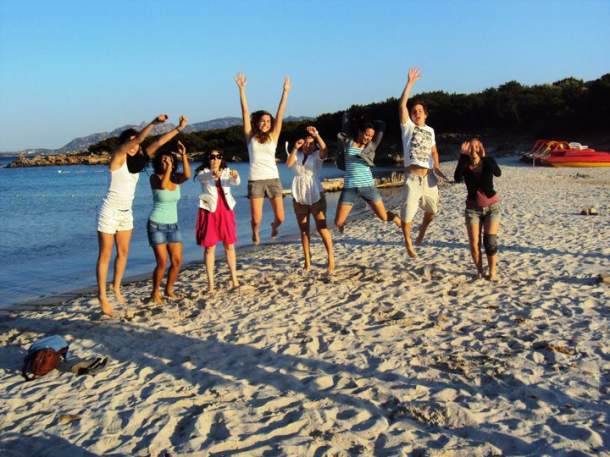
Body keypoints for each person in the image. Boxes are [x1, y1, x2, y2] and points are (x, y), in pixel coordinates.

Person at [96, 114, 188, 316]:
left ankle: (116, 287)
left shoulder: (137, 162)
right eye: (131, 142)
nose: (135, 145)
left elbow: (158, 142)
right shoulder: (118, 158)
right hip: (109, 211)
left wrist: (179, 129)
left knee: (123, 253)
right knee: (105, 255)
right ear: (124, 144)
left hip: (126, 213)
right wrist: (154, 123)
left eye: (136, 143)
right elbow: (138, 139)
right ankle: (102, 296)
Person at [235, 72, 290, 244]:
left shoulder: (274, 136)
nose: (265, 123)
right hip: (256, 180)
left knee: (281, 218)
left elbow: (280, 114)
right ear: (256, 123)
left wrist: (285, 92)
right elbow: (245, 112)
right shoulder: (250, 136)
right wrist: (242, 89)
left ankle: (274, 226)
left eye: (267, 121)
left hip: (273, 180)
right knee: (256, 219)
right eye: (262, 121)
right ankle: (255, 231)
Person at [398, 67, 448, 257]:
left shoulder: (431, 130)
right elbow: (401, 105)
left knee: (432, 210)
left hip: (428, 178)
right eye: (414, 111)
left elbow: (434, 151)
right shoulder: (407, 127)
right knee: (407, 214)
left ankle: (422, 231)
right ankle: (408, 242)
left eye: (420, 111)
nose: (416, 113)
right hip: (412, 178)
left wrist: (437, 166)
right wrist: (409, 83)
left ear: (425, 115)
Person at [334, 113, 401, 231]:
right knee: (338, 222)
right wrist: (346, 116)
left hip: (368, 187)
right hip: (350, 187)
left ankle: (395, 217)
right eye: (366, 134)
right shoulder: (349, 142)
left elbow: (382, 128)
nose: (368, 138)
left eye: (371, 136)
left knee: (383, 217)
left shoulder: (371, 146)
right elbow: (345, 127)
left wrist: (376, 122)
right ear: (360, 132)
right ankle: (342, 225)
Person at [148, 140, 192, 304]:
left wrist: (183, 155)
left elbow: (187, 175)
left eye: (170, 160)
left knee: (177, 261)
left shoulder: (176, 179)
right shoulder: (155, 178)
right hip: (156, 225)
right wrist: (167, 169)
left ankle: (169, 290)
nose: (167, 162)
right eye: (164, 160)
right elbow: (163, 185)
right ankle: (155, 292)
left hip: (173, 225)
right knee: (162, 262)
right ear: (158, 162)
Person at [286, 126, 335, 273]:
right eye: (306, 143)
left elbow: (324, 150)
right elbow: (288, 164)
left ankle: (331, 259)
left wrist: (317, 135)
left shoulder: (316, 156)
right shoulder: (297, 155)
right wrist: (295, 147)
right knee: (304, 231)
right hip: (299, 194)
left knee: (322, 227)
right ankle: (307, 262)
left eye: (311, 143)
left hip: (315, 193)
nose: (308, 145)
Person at [454, 139, 502, 280]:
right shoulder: (465, 164)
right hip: (472, 210)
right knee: (474, 244)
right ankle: (480, 271)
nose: (474, 149)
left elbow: (498, 173)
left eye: (477, 146)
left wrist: (485, 157)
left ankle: (492, 272)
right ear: (467, 150)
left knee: (490, 241)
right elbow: (457, 178)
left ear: (481, 148)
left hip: (492, 207)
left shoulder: (488, 161)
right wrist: (463, 157)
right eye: (471, 147)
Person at [195, 149, 241, 293]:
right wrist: (213, 174)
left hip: (226, 210)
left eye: (218, 156)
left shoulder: (226, 170)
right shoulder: (202, 172)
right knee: (210, 248)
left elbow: (236, 182)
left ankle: (234, 279)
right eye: (212, 157)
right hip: (210, 211)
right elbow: (201, 179)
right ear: (207, 158)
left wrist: (235, 175)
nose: (215, 159)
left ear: (222, 158)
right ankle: (210, 285)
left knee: (230, 246)